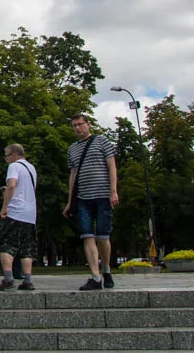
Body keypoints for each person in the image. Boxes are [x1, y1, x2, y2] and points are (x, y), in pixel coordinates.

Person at [63, 113, 119, 291]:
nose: (78, 128)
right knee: (87, 235)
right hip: (83, 198)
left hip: (102, 195)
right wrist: (70, 200)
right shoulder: (72, 149)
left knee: (103, 236)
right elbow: (73, 175)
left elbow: (111, 166)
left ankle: (106, 270)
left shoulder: (102, 142)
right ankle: (95, 276)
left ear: (88, 124)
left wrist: (113, 191)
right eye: (74, 125)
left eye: (81, 124)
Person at [0, 144, 38, 291]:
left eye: (6, 155)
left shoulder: (14, 166)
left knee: (6, 244)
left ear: (13, 154)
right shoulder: (31, 168)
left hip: (15, 211)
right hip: (30, 213)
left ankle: (8, 278)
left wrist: (4, 207)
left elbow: (12, 185)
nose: (5, 158)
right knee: (27, 247)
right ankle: (28, 279)